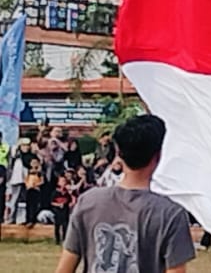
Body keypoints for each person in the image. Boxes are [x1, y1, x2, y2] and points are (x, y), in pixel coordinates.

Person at [54, 114, 195, 273]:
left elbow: (64, 268)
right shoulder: (170, 214)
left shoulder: (88, 201)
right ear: (159, 155)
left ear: (118, 153)